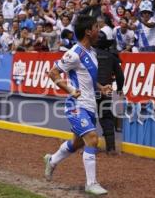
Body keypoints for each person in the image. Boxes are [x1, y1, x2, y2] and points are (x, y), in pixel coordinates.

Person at [45, 15, 111, 195]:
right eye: (97, 27)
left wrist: (101, 87)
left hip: (89, 105)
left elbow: (87, 79)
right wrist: (69, 90)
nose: (100, 30)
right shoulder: (74, 53)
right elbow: (53, 73)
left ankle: (51, 160)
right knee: (92, 138)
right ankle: (91, 183)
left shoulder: (92, 53)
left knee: (76, 143)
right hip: (76, 104)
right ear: (88, 32)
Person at [96, 30, 124, 154]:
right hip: (106, 90)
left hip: (90, 90)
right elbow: (120, 75)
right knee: (107, 116)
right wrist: (119, 88)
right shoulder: (111, 57)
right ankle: (111, 147)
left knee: (88, 117)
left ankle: (88, 146)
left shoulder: (89, 55)